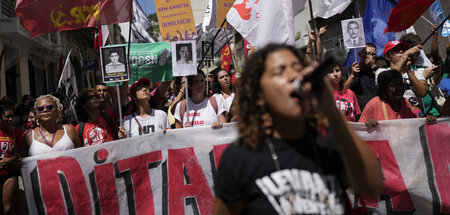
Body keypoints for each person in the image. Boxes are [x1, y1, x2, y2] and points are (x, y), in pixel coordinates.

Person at [213, 44, 383, 214]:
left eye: (297, 69)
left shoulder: (329, 142)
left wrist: (330, 109)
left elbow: (371, 186)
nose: (293, 76)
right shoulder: (239, 158)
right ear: (259, 95)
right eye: (279, 72)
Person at [0, 104, 25, 215]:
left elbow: (21, 155)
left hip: (9, 173)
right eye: (7, 116)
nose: (11, 119)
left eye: (12, 116)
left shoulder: (16, 133)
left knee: (8, 208)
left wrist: (8, 160)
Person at [343, 43, 379, 112]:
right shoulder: (348, 71)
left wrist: (374, 67)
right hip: (359, 114)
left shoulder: (377, 71)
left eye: (373, 54)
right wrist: (352, 76)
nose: (370, 57)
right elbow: (343, 91)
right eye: (367, 53)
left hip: (377, 111)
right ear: (359, 55)